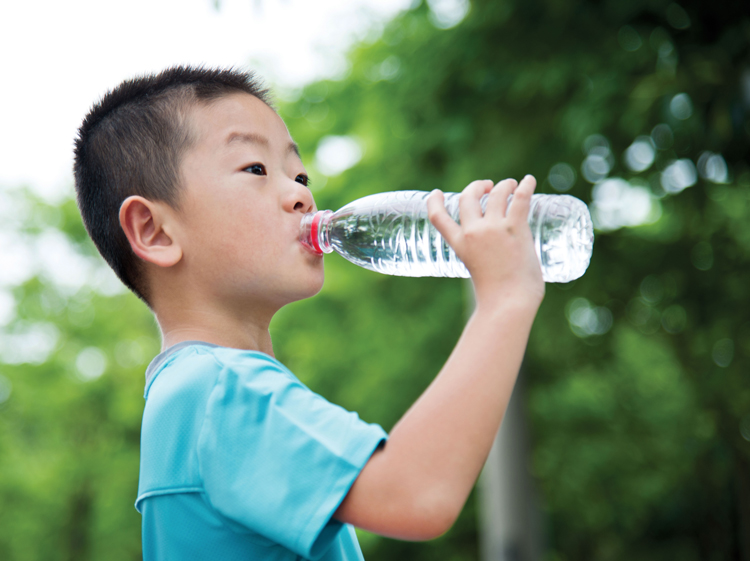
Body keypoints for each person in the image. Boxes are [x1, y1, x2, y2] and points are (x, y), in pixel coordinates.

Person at [73, 66, 545, 560]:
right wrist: (504, 299)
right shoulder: (221, 391)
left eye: (299, 175)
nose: (302, 194)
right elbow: (415, 493)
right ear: (155, 231)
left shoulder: (187, 396)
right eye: (255, 169)